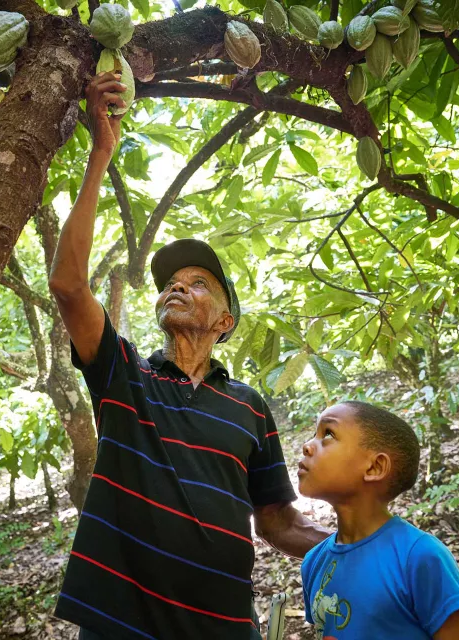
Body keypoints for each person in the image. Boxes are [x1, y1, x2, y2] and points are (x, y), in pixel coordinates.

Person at [48, 71, 330, 639]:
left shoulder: (249, 407)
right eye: (171, 282)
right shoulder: (125, 376)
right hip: (122, 625)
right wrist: (102, 151)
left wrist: (365, 545)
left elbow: (276, 519)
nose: (177, 287)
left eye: (198, 282)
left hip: (225, 625)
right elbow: (69, 285)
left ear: (225, 321)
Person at [298, 401, 459, 640]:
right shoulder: (314, 562)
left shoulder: (419, 557)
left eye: (328, 434)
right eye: (314, 434)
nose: (307, 446)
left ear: (375, 467)